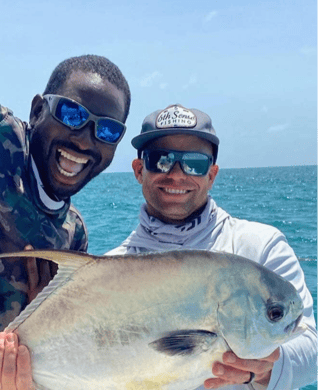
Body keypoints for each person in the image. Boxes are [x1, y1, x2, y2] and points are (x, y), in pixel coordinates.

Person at [0, 32, 130, 390]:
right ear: (37, 110)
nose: (85, 140)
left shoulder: (73, 235)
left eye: (108, 131)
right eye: (72, 114)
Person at [105, 104, 317, 389]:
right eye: (161, 160)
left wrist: (265, 370)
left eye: (195, 163)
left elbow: (311, 354)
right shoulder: (106, 272)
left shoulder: (261, 247)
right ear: (139, 170)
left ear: (212, 175)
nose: (177, 174)